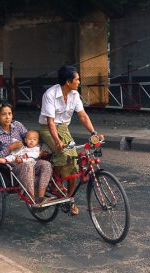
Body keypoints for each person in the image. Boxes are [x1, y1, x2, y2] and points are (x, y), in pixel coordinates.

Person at [39, 64, 97, 215]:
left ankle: (69, 198)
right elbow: (50, 122)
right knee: (63, 154)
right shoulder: (50, 94)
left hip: (63, 127)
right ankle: (54, 183)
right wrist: (57, 141)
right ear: (68, 81)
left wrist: (93, 132)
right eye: (77, 79)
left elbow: (82, 115)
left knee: (74, 162)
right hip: (47, 128)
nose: (79, 82)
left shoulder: (75, 95)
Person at [0, 103, 53, 206]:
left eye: (9, 113)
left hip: (27, 159)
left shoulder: (17, 125)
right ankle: (31, 199)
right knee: (27, 166)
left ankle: (41, 197)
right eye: (4, 114)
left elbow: (30, 138)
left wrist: (37, 149)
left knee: (46, 164)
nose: (7, 117)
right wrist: (9, 148)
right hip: (11, 165)